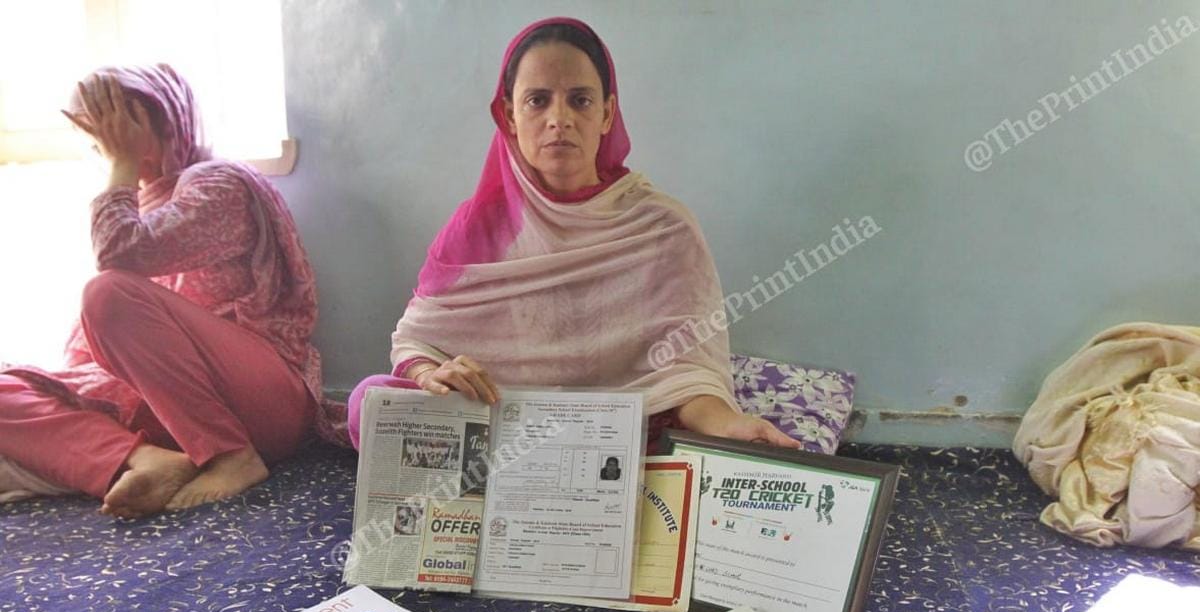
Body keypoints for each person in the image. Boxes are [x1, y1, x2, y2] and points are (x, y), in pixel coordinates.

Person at [348, 18, 798, 452]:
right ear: (508, 115)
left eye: (580, 101)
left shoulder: (662, 228)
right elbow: (413, 341)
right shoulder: (476, 229)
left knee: (703, 448)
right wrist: (432, 373)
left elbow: (688, 378)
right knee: (367, 402)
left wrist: (728, 425)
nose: (558, 118)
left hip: (623, 437)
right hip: (500, 429)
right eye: (537, 100)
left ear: (606, 114)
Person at [0, 64, 346, 517]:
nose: (105, 145)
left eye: (116, 128)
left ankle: (230, 456)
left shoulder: (219, 183)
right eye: (97, 134)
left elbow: (120, 254)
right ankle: (145, 461)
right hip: (176, 421)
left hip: (264, 399)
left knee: (106, 294)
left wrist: (121, 164)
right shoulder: (143, 205)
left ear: (163, 119)